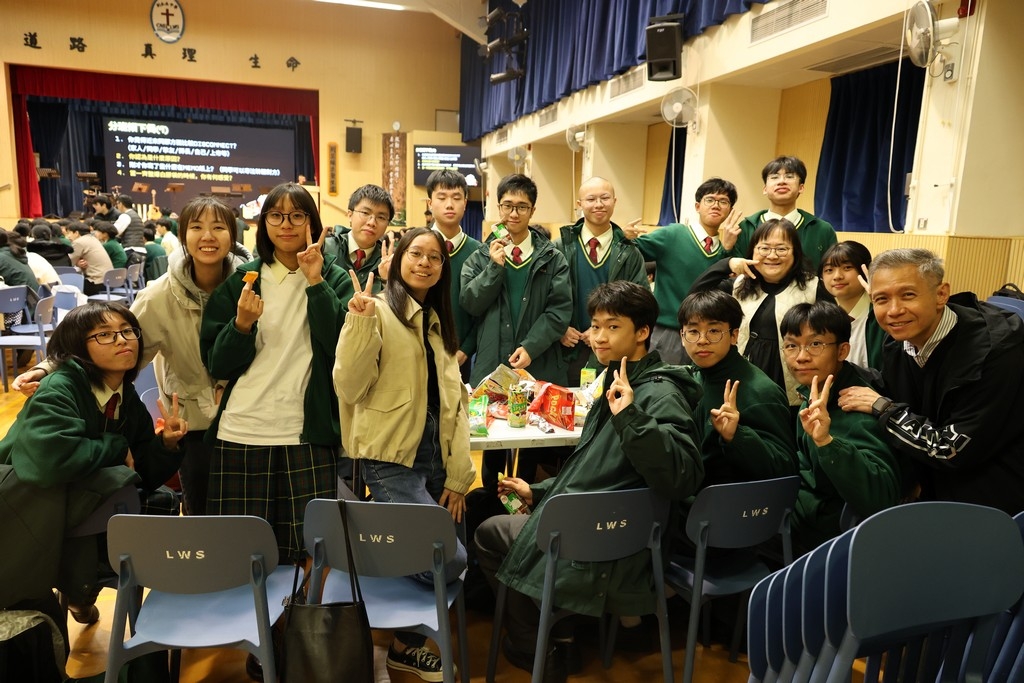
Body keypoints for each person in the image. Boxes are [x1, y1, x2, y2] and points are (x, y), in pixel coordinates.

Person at [475, 281, 704, 683]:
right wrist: (539, 491)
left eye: (613, 327)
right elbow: (596, 471)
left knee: (487, 530)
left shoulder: (657, 393)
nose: (598, 336)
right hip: (609, 528)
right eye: (595, 326)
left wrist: (631, 417)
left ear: (643, 332)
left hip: (609, 542)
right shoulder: (620, 380)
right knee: (486, 501)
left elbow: (682, 475)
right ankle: (562, 630)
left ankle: (534, 645)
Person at [14, 197, 247, 518]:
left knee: (248, 514)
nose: (208, 236)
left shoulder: (250, 286)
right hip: (195, 423)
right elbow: (113, 343)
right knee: (204, 516)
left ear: (233, 235)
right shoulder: (160, 296)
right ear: (183, 235)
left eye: (218, 227)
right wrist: (46, 368)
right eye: (197, 227)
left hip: (250, 415)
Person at [334, 227, 477, 682]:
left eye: (435, 258)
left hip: (437, 458)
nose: (425, 263)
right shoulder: (375, 310)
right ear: (397, 260)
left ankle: (402, 647)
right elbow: (348, 387)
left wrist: (459, 475)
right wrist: (358, 323)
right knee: (449, 560)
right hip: (390, 459)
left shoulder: (437, 324)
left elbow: (454, 407)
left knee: (447, 557)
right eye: (416, 253)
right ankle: (376, 567)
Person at [0, 302, 186, 623]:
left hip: (73, 499)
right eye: (104, 334)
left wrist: (166, 444)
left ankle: (83, 594)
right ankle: (80, 593)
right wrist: (116, 445)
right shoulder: (60, 387)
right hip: (23, 507)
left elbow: (140, 469)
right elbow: (48, 463)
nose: (121, 340)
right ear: (77, 348)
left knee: (158, 500)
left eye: (127, 331)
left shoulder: (124, 395)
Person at [200, 182, 347, 563]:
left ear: (312, 222)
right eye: (276, 216)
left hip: (307, 432)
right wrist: (241, 325)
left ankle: (304, 605)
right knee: (242, 553)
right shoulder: (243, 280)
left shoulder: (334, 277)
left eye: (297, 215)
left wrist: (315, 281)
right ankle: (256, 607)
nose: (286, 224)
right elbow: (217, 364)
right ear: (263, 223)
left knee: (313, 550)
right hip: (243, 428)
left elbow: (341, 346)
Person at [837, 248, 1024, 514]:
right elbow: (900, 390)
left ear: (941, 294)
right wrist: (833, 369)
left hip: (995, 502)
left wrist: (883, 408)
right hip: (934, 487)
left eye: (908, 295)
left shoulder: (994, 353)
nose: (894, 310)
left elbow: (950, 449)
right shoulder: (898, 341)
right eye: (881, 299)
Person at [461, 174, 572, 488]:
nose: (514, 213)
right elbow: (470, 303)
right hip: (491, 363)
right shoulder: (479, 257)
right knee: (492, 443)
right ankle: (491, 503)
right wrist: (493, 268)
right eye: (507, 205)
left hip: (538, 362)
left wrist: (531, 346)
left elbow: (559, 310)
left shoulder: (552, 258)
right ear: (498, 208)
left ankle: (525, 504)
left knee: (533, 441)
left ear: (532, 211)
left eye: (522, 207)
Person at [780, 301, 902, 553]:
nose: (801, 357)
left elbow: (882, 498)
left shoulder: (854, 406)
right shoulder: (815, 391)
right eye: (792, 345)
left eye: (815, 344)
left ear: (842, 351)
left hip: (837, 542)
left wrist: (827, 442)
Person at [690, 218, 822, 406]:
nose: (772, 256)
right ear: (752, 251)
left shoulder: (813, 287)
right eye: (764, 248)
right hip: (743, 382)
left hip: (794, 388)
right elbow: (694, 297)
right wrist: (727, 264)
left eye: (782, 249)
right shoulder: (738, 285)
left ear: (796, 253)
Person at [677, 290, 796, 487]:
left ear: (734, 335)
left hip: (732, 501)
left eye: (714, 331)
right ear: (682, 336)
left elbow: (785, 469)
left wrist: (736, 436)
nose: (702, 340)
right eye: (693, 331)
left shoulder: (761, 391)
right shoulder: (686, 379)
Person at [626, 178, 743, 363]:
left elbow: (720, 283)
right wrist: (623, 236)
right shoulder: (673, 234)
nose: (716, 205)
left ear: (730, 210)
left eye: (723, 201)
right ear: (697, 206)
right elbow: (629, 252)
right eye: (710, 200)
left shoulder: (729, 248)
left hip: (709, 335)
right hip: (669, 331)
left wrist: (727, 249)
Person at [557, 177, 648, 385]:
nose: (598, 204)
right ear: (579, 204)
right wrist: (559, 328)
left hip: (614, 353)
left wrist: (602, 330)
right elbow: (544, 295)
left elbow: (640, 302)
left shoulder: (630, 252)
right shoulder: (560, 248)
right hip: (565, 348)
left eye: (605, 198)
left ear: (614, 201)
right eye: (591, 199)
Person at [725, 156, 837, 271]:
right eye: (774, 177)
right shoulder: (746, 228)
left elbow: (832, 271)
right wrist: (727, 247)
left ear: (801, 187)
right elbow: (733, 273)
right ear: (765, 189)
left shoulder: (823, 230)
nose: (782, 181)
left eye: (789, 176)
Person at [426, 169, 482, 383]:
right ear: (430, 203)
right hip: (418, 350)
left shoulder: (479, 252)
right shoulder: (415, 246)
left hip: (461, 356)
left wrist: (466, 349)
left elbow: (484, 309)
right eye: (442, 197)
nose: (449, 204)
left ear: (465, 203)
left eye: (456, 198)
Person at [323, 184, 394, 307]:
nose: (372, 222)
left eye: (381, 217)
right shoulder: (325, 249)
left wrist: (387, 280)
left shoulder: (390, 263)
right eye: (365, 213)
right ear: (350, 215)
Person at [818, 241, 884, 369]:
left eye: (847, 267)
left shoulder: (881, 315)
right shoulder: (825, 320)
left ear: (866, 271)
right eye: (829, 270)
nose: (837, 276)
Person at [67, 220, 114, 295]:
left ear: (76, 233)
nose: (68, 236)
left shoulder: (79, 242)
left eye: (69, 233)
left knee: (68, 285)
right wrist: (78, 263)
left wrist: (76, 263)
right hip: (109, 282)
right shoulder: (94, 239)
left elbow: (69, 262)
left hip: (97, 283)